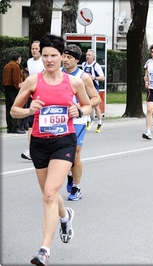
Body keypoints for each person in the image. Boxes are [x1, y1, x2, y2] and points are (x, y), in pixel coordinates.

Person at [10, 34, 92, 266]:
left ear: (62, 56)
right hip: (39, 143)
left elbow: (87, 104)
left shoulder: (73, 82)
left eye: (53, 55)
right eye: (45, 55)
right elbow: (14, 111)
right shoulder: (33, 81)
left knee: (49, 194)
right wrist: (28, 110)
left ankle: (44, 250)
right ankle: (65, 217)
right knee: (50, 194)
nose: (48, 60)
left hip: (64, 141)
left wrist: (79, 111)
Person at [62, 44, 101, 201]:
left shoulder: (83, 76)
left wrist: (82, 107)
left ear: (77, 60)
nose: (65, 60)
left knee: (76, 152)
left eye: (69, 57)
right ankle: (70, 174)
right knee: (62, 155)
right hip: (60, 119)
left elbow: (96, 98)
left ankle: (76, 188)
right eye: (64, 56)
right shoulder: (56, 74)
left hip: (78, 118)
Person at [21, 40, 45, 160]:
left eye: (36, 49)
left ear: (40, 49)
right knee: (31, 123)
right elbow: (31, 77)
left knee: (43, 123)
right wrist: (25, 84)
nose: (34, 51)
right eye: (32, 49)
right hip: (33, 96)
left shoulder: (44, 61)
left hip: (44, 96)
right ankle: (31, 150)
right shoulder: (29, 62)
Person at [82, 49, 105, 133]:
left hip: (94, 88)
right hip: (85, 88)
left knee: (95, 106)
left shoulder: (96, 65)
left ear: (93, 57)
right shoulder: (84, 64)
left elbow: (103, 77)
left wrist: (94, 77)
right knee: (86, 104)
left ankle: (99, 122)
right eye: (87, 55)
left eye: (89, 55)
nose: (87, 56)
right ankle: (88, 121)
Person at [2, 53, 25, 134]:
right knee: (16, 107)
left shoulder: (7, 66)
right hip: (13, 89)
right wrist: (20, 88)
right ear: (18, 59)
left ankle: (9, 127)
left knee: (9, 108)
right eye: (20, 59)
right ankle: (16, 127)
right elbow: (16, 80)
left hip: (6, 88)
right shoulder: (15, 66)